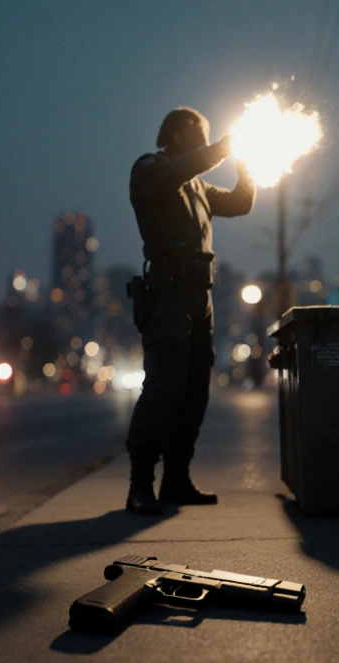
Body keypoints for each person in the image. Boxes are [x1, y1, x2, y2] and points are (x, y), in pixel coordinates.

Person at [124, 107, 255, 515]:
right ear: (180, 133)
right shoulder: (151, 168)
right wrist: (224, 148)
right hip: (168, 291)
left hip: (201, 296)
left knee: (195, 390)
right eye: (201, 132)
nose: (206, 140)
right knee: (164, 387)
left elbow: (240, 203)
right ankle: (140, 484)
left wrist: (246, 163)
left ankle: (176, 480)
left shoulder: (198, 186)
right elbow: (180, 170)